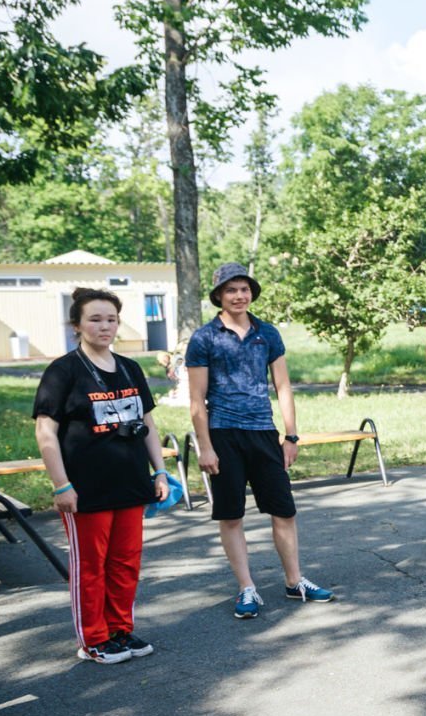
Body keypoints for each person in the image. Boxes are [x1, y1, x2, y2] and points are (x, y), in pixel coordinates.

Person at [185, 263, 333, 619]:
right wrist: (205, 446)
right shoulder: (204, 338)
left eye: (244, 289)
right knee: (231, 515)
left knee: (284, 510)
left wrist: (291, 436)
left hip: (264, 433)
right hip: (223, 434)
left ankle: (294, 581)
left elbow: (283, 387)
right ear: (219, 295)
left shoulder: (267, 333)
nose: (239, 296)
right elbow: (196, 399)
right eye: (231, 290)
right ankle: (246, 587)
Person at [33, 289, 172, 664]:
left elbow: (147, 423)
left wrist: (160, 472)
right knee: (90, 567)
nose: (104, 326)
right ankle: (93, 639)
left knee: (125, 563)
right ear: (77, 325)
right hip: (85, 490)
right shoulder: (63, 371)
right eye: (94, 319)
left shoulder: (129, 368)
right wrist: (61, 485)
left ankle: (119, 630)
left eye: (111, 319)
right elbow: (45, 431)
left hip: (130, 483)